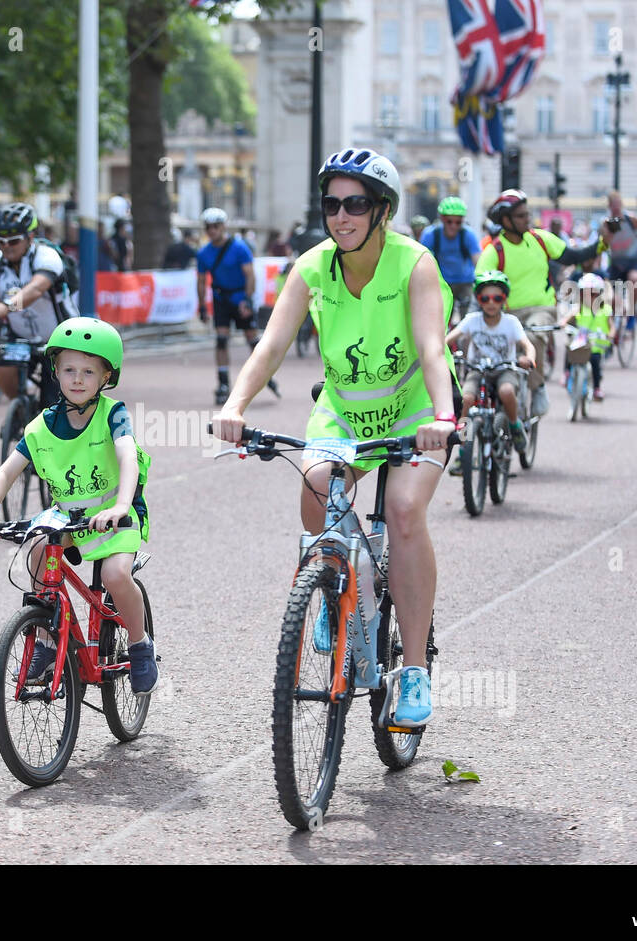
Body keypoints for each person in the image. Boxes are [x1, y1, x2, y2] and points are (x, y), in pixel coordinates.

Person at [212, 147, 458, 727]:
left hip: (413, 413)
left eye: (355, 204)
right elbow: (269, 346)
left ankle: (415, 670)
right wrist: (234, 405)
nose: (341, 216)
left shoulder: (414, 264)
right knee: (318, 485)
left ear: (382, 210)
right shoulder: (312, 267)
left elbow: (431, 348)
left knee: (401, 512)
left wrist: (443, 418)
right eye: (331, 204)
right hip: (344, 412)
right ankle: (332, 581)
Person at [0, 317, 158, 695]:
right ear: (55, 371)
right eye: (69, 369)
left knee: (116, 577)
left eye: (89, 371)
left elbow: (126, 457)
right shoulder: (42, 426)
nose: (78, 379)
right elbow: (6, 472)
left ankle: (140, 646)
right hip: (69, 519)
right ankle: (45, 639)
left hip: (114, 518)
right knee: (38, 549)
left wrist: (121, 505)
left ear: (107, 375)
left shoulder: (113, 414)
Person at [478, 189, 606, 415]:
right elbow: (478, 284)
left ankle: (537, 387)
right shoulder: (494, 250)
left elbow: (575, 256)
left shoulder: (540, 239)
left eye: (527, 214)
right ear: (505, 220)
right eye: (521, 216)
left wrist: (604, 241)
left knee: (535, 336)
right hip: (506, 314)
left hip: (542, 308)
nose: (528, 219)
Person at [0, 202, 75, 404]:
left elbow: (35, 290)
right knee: (5, 372)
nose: (6, 246)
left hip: (59, 336)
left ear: (30, 237)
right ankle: (23, 410)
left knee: (52, 400)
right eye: (1, 241)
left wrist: (5, 307)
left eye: (14, 240)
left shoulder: (47, 256)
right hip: (21, 336)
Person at [446, 270, 534, 466]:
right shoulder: (471, 320)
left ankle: (515, 425)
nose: (491, 303)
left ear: (504, 299)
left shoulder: (511, 322)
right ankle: (462, 452)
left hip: (505, 369)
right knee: (466, 400)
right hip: (477, 370)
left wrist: (529, 358)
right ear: (479, 299)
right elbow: (449, 339)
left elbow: (527, 345)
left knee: (507, 391)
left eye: (497, 298)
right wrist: (439, 353)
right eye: (485, 298)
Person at [196, 206, 279, 404]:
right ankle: (223, 383)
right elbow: (200, 281)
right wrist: (202, 306)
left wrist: (247, 301)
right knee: (221, 340)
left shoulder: (240, 247)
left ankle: (265, 373)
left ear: (223, 227)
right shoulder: (203, 253)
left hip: (240, 297)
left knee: (252, 340)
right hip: (221, 299)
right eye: (208, 227)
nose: (212, 230)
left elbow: (250, 276)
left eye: (215, 226)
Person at [420, 196, 481, 326]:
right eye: (449, 221)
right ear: (442, 219)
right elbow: (421, 261)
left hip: (465, 282)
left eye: (458, 222)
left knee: (470, 320)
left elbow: (478, 262)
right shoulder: (431, 234)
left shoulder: (468, 235)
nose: (453, 226)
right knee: (441, 320)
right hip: (442, 282)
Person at [558, 272, 614, 401]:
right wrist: (563, 323)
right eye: (586, 294)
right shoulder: (579, 308)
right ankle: (566, 373)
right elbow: (567, 317)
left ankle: (597, 388)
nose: (590, 297)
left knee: (595, 362)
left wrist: (610, 335)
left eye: (593, 294)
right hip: (580, 341)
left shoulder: (605, 309)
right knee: (570, 350)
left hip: (596, 344)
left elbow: (612, 327)